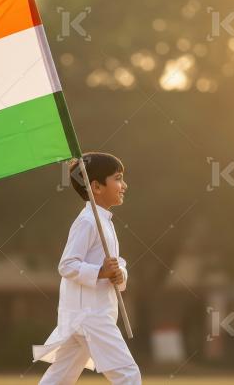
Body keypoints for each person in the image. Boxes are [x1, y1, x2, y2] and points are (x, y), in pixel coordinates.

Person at [33, 152, 141, 384]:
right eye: (118, 178)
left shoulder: (103, 221)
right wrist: (101, 272)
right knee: (128, 374)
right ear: (96, 187)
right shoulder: (88, 221)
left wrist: (118, 273)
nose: (125, 185)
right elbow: (67, 265)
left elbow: (116, 266)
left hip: (82, 317)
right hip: (91, 316)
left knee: (59, 379)